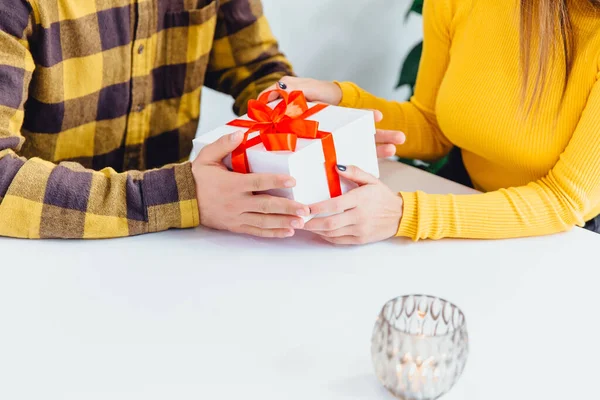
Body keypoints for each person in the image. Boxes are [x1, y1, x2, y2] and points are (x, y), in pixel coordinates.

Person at [0, 0, 404, 239]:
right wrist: (180, 195)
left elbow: (255, 65)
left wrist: (308, 128)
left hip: (182, 244)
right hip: (46, 248)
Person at [265, 0, 600, 244]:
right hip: (464, 195)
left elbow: (564, 201)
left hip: (571, 238)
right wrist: (339, 100)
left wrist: (404, 214)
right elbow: (432, 126)